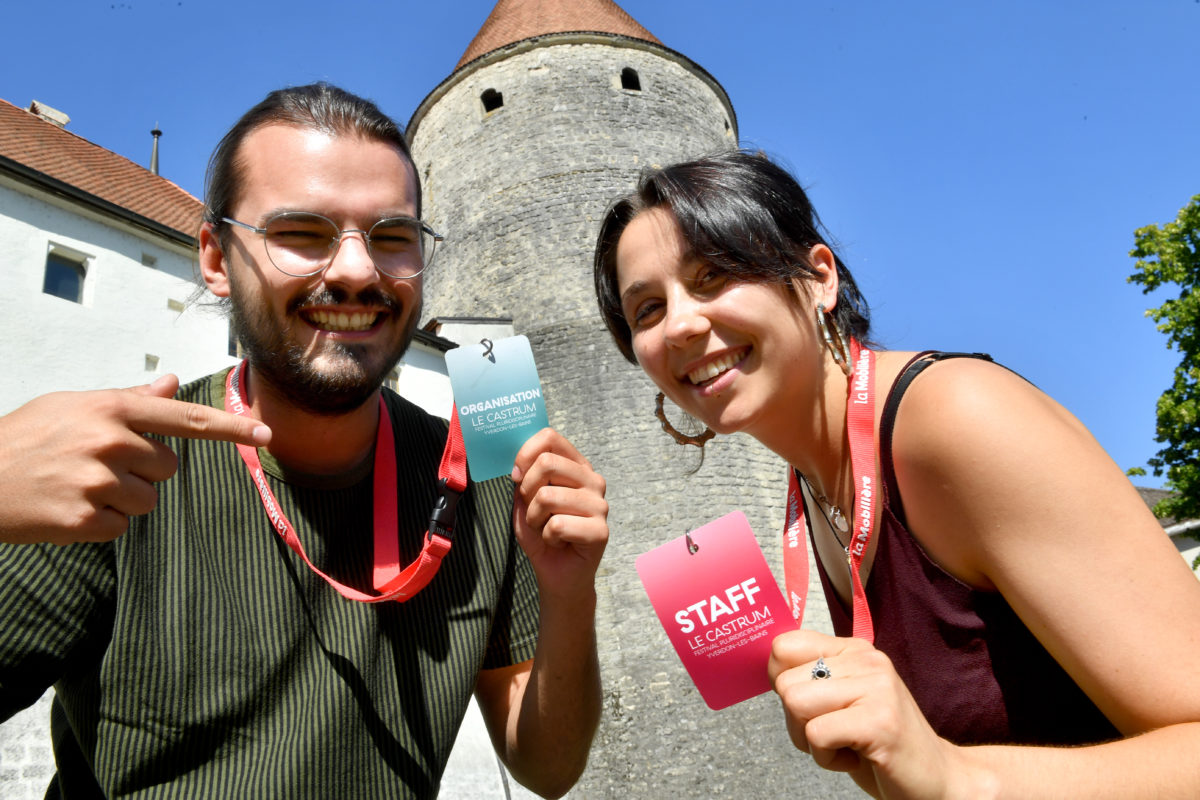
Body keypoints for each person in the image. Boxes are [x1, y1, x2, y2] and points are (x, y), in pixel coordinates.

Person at [0, 83, 607, 800]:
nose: (356, 270)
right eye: (301, 233)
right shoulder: (122, 467)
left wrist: (572, 594)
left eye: (392, 238)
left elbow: (547, 767)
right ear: (217, 259)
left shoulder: (484, 481)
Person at [593, 150, 1200, 798]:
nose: (681, 323)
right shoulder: (814, 487)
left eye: (713, 274)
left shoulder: (959, 419)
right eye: (647, 311)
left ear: (818, 276)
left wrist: (957, 778)